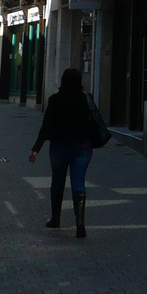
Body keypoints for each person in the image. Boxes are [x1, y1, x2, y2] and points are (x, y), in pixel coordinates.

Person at [29, 67, 93, 238]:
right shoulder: (86, 99)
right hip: (82, 147)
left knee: (57, 180)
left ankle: (55, 219)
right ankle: (80, 224)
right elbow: (94, 121)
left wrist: (36, 149)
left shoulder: (55, 100)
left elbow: (46, 126)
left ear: (63, 81)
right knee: (78, 182)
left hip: (59, 147)